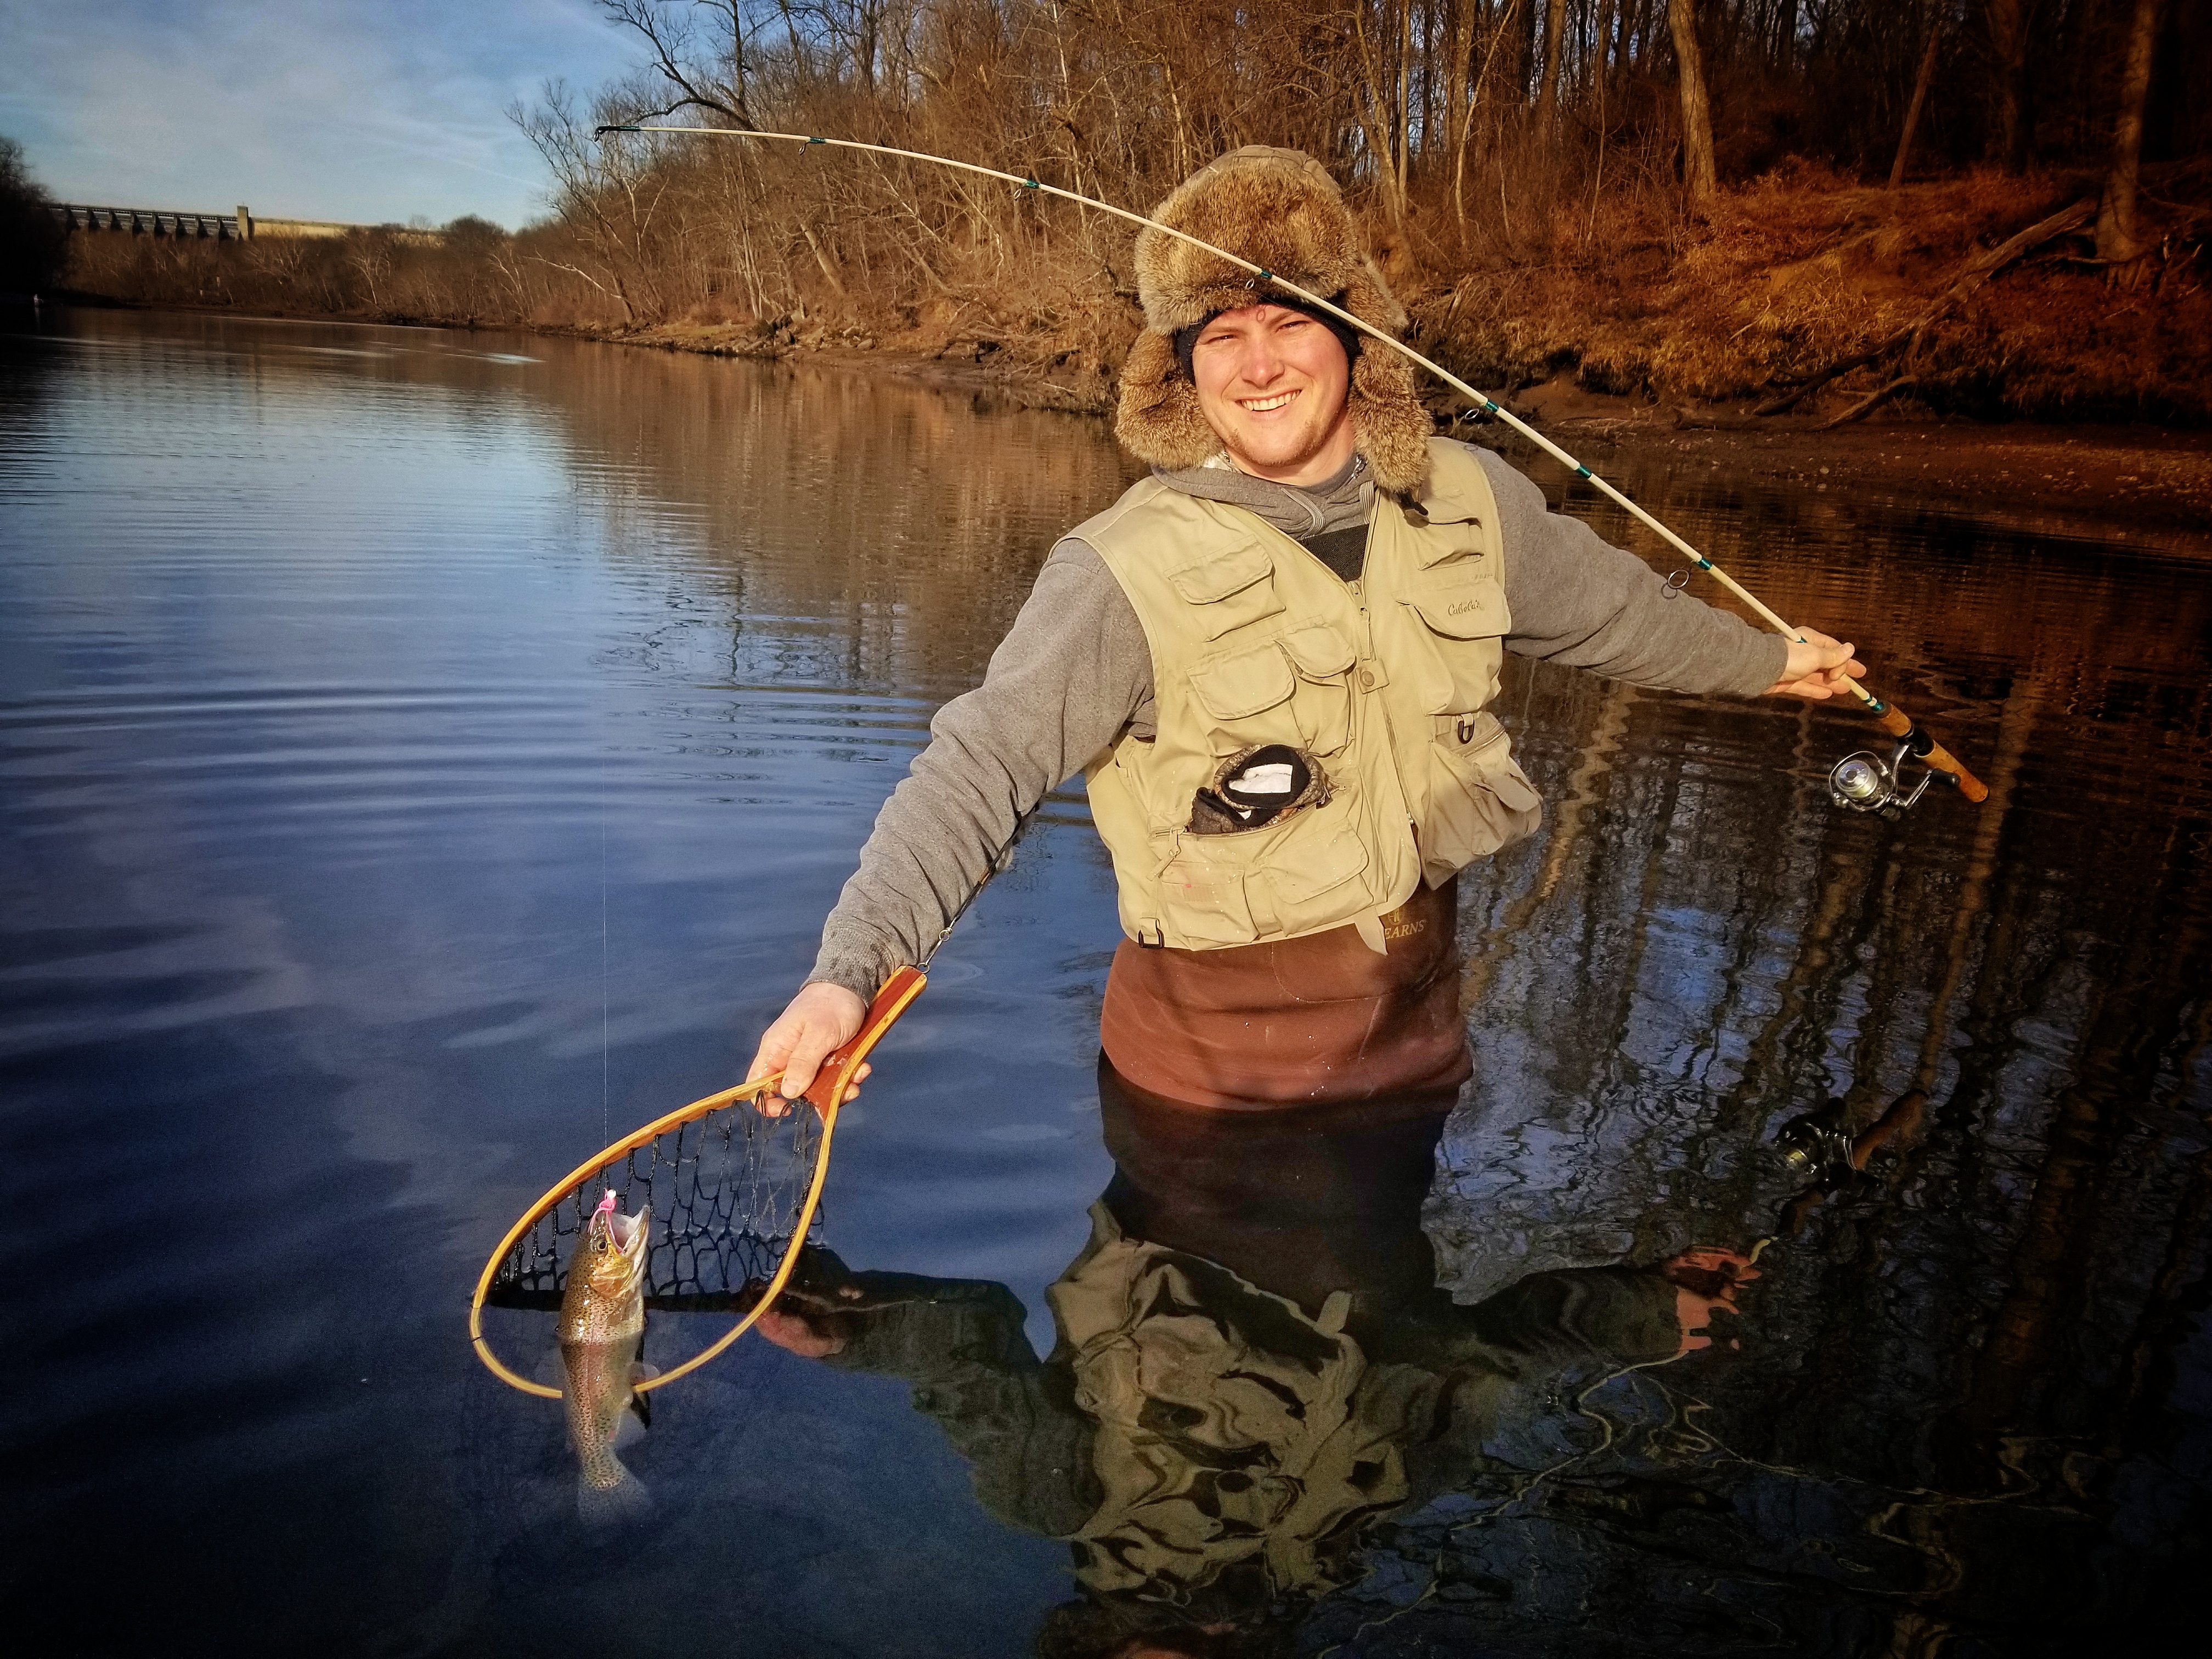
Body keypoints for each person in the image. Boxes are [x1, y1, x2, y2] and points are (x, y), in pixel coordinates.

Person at [745, 145, 1861, 1111]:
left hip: (1418, 1054)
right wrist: (850, 971)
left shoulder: (1473, 498)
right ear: (1181, 371)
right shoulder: (1119, 569)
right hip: (1210, 1097)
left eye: (1287, 321)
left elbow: (1622, 615)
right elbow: (977, 769)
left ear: (1354, 339)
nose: (1258, 363)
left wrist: (1773, 663)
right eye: (1219, 335)